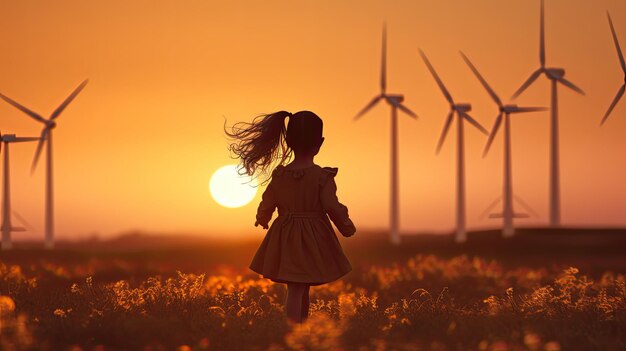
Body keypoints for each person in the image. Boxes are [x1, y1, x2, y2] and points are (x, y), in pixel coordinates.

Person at [225, 110, 356, 323]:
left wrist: (263, 217)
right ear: (320, 142)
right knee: (298, 287)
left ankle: (299, 329)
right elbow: (332, 206)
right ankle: (293, 329)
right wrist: (346, 225)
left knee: (298, 286)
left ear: (287, 140)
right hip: (313, 238)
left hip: (285, 235)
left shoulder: (280, 176)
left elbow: (268, 200)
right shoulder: (322, 177)